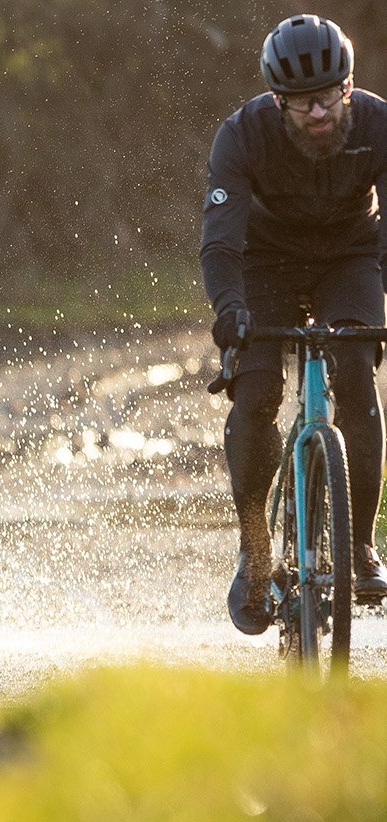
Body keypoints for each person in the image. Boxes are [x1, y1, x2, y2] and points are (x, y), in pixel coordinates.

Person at [202, 12, 387, 635]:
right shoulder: (242, 136)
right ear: (278, 100)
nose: (318, 113)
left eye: (330, 96)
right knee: (255, 394)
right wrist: (229, 309)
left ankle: (358, 544)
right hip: (265, 264)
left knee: (357, 373)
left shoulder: (381, 125)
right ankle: (255, 547)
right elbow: (221, 242)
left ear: (349, 86)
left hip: (350, 257)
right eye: (303, 102)